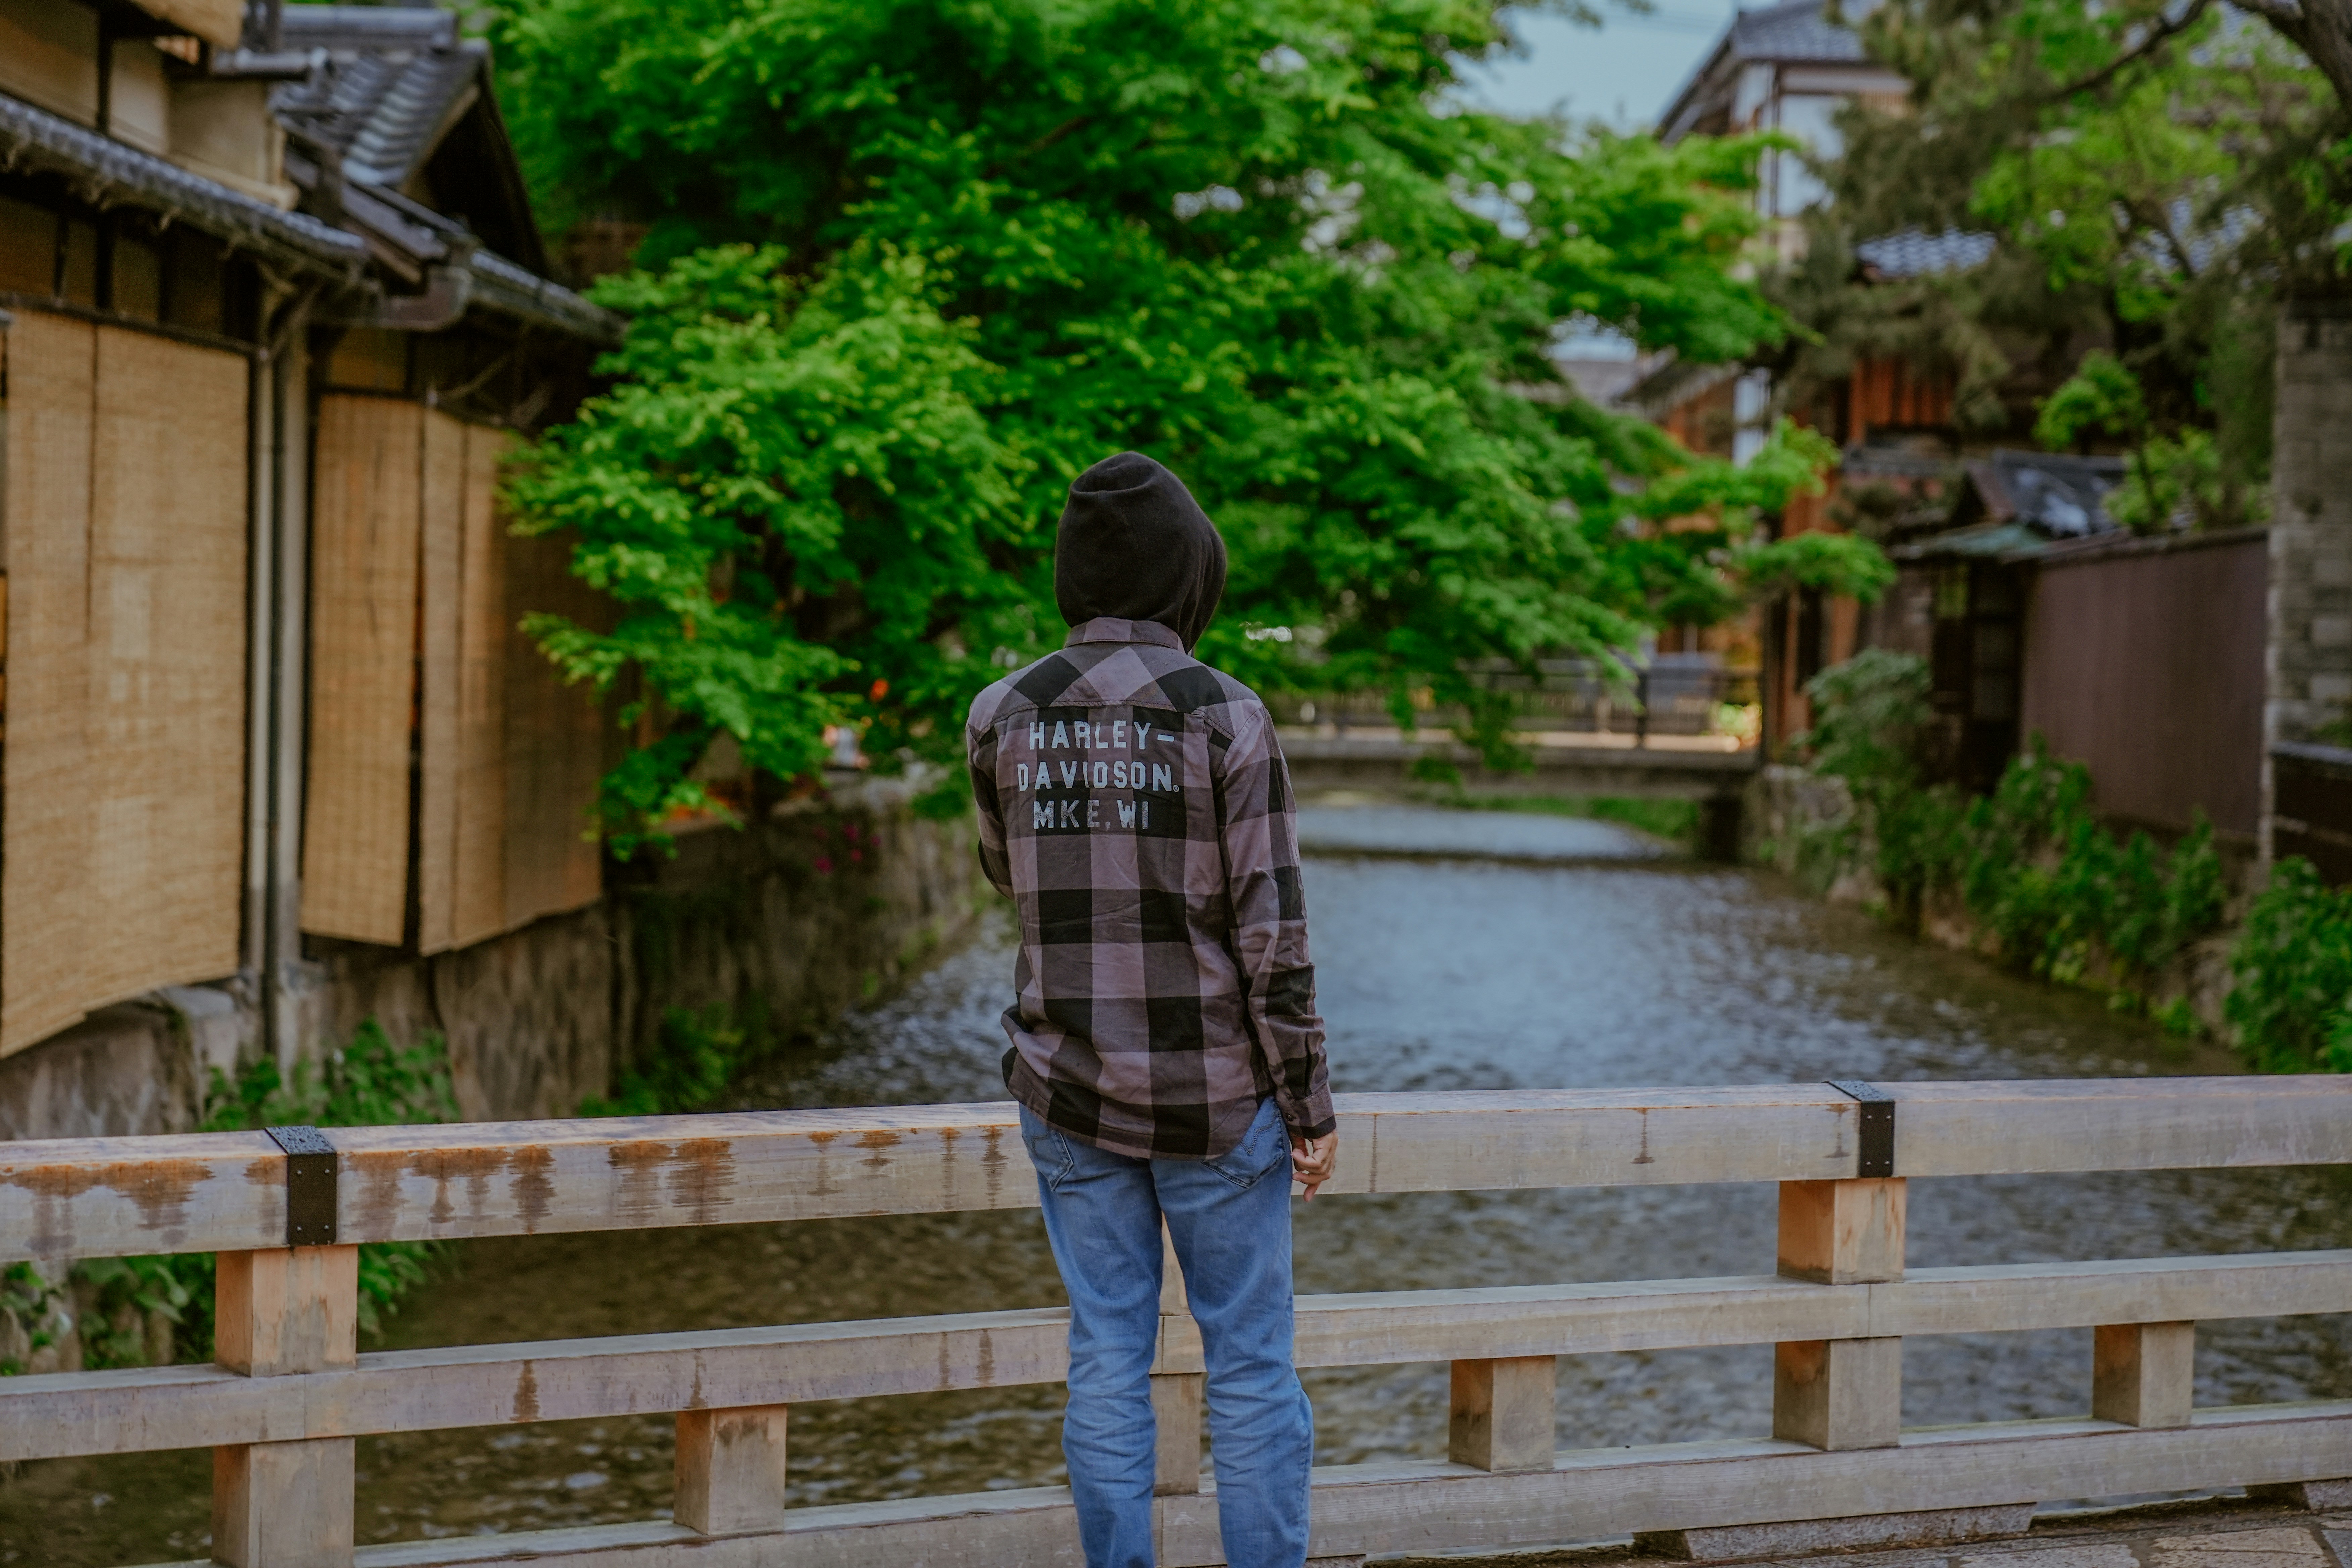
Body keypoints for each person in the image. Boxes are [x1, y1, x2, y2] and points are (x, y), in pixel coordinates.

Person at [966, 451, 1338, 1568]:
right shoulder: (1229, 716)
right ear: (1190, 575)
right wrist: (1308, 1104)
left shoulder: (1001, 714)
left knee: (1106, 1359)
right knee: (1252, 1366)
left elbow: (1008, 877)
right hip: (1216, 1097)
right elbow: (1273, 937)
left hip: (1069, 1088)